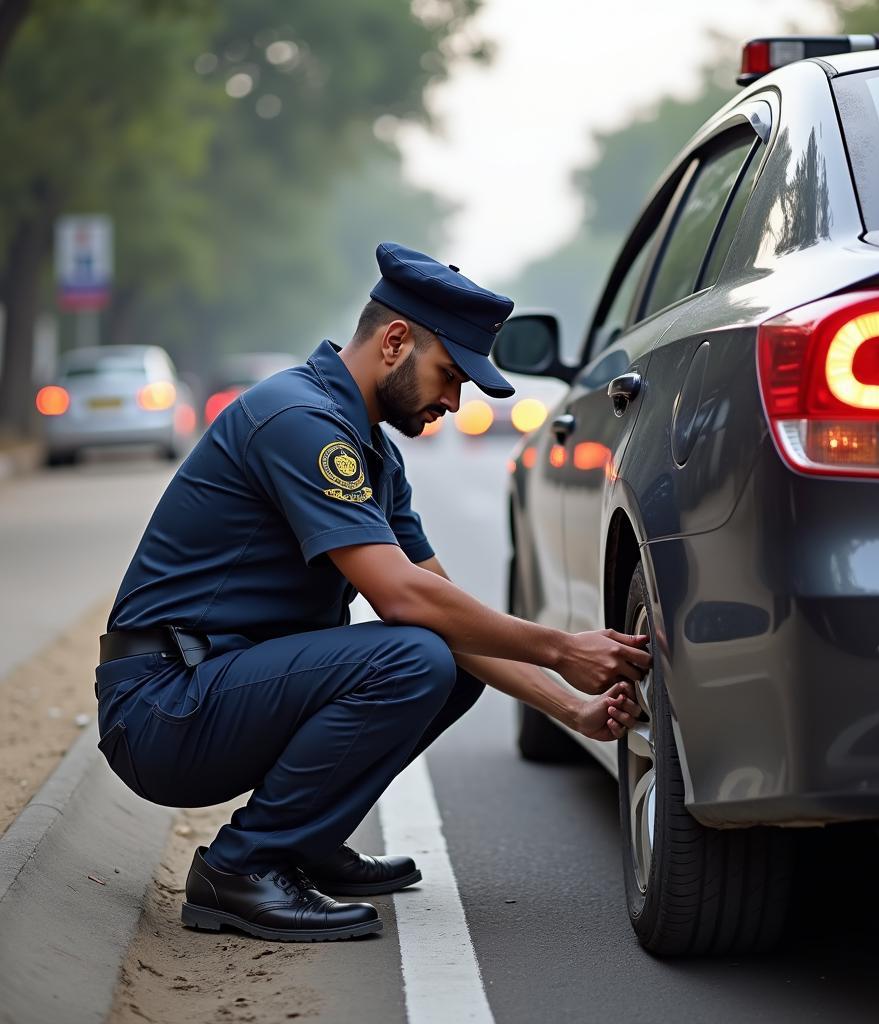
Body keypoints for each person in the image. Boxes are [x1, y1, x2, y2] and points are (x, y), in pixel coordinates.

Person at [94, 242, 651, 943]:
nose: (453, 401)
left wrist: (572, 709)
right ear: (394, 342)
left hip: (214, 687)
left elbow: (447, 609)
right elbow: (404, 601)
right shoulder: (298, 420)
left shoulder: (371, 451)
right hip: (163, 705)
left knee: (449, 661)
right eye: (450, 375)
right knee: (415, 656)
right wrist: (563, 648)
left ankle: (305, 840)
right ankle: (242, 867)